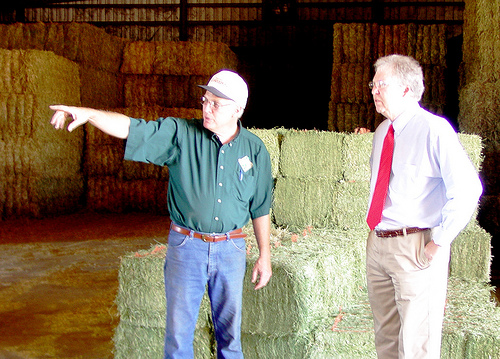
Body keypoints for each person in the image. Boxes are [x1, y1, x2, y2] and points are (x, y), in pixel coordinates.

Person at [50, 69, 273, 359]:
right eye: (205, 101)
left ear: (238, 110)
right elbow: (132, 127)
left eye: (216, 104)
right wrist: (88, 113)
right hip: (187, 247)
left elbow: (260, 206)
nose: (207, 108)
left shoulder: (254, 150)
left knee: (230, 338)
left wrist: (264, 255)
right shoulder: (181, 134)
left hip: (231, 248)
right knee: (179, 337)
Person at [364, 55, 482, 359]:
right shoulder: (381, 133)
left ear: (405, 89)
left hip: (415, 245)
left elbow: (468, 188)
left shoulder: (434, 130)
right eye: (372, 84)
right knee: (386, 337)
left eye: (381, 85)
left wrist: (439, 241)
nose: (374, 91)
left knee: (418, 342)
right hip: (379, 243)